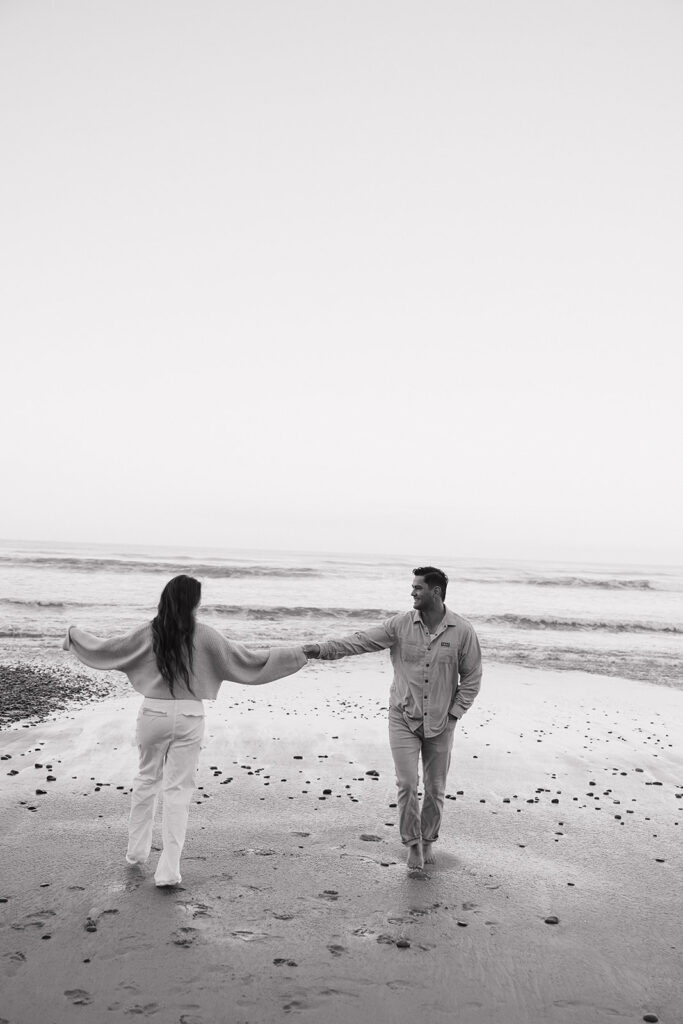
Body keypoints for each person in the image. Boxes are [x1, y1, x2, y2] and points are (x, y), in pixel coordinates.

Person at [63, 574, 310, 887]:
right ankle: (168, 872)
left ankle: (136, 853)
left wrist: (73, 635)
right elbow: (247, 659)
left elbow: (109, 649)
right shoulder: (206, 635)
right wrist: (300, 653)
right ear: (194, 602)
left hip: (154, 712)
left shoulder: (147, 632)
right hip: (190, 714)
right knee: (178, 791)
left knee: (146, 779)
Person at [302, 566, 482, 870]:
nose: (412, 592)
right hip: (403, 717)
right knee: (408, 783)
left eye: (418, 588)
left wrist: (454, 715)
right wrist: (320, 650)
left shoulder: (462, 631)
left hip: (441, 722)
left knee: (436, 788)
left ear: (435, 592)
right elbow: (359, 641)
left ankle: (428, 841)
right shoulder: (399, 625)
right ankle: (412, 844)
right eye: (412, 587)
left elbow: (473, 677)